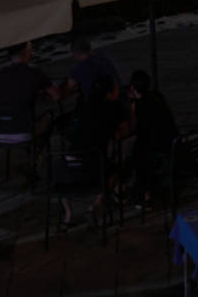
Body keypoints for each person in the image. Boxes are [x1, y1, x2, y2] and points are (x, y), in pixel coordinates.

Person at [62, 74, 131, 229]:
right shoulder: (114, 107)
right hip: (93, 162)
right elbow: (125, 132)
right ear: (110, 92)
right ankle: (96, 205)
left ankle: (68, 215)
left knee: (65, 179)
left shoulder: (84, 106)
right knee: (112, 171)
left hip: (69, 160)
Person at [125, 69, 178, 203]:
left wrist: (132, 109)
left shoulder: (139, 105)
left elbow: (134, 129)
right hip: (170, 143)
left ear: (132, 87)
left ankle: (142, 195)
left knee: (134, 156)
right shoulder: (156, 97)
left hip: (156, 149)